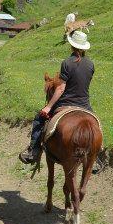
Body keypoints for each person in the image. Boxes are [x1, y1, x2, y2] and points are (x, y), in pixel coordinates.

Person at [19, 29, 94, 164]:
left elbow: (60, 88)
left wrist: (48, 107)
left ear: (72, 45)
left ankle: (33, 150)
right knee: (95, 127)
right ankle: (96, 156)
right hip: (85, 105)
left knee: (39, 119)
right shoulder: (91, 64)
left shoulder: (67, 63)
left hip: (66, 103)